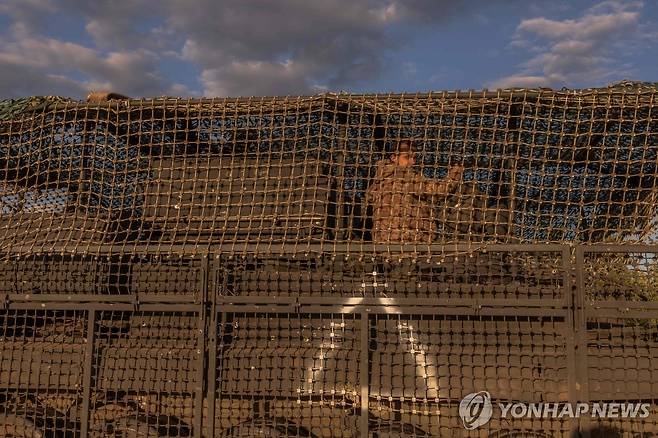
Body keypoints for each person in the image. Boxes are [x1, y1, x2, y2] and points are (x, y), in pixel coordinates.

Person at [366, 140, 464, 244]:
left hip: (382, 244)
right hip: (408, 243)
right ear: (394, 158)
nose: (413, 161)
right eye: (407, 157)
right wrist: (457, 169)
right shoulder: (404, 176)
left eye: (414, 158)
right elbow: (440, 191)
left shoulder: (378, 181)